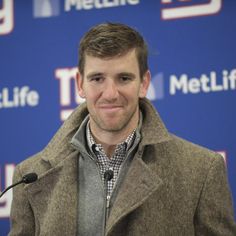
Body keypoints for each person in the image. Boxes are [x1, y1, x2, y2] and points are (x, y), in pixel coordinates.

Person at [9, 22, 236, 236]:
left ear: (144, 83)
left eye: (124, 78)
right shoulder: (29, 176)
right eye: (97, 78)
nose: (110, 94)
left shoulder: (202, 170)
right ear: (79, 84)